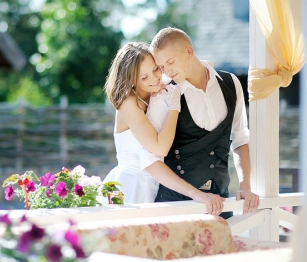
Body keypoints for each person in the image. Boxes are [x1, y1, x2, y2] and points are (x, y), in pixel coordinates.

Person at [140, 27, 260, 219]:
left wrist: (245, 185)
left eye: (170, 62)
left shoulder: (231, 83)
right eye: (161, 67)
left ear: (189, 51)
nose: (166, 72)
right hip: (175, 207)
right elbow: (149, 161)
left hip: (221, 204)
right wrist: (197, 195)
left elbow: (240, 139)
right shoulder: (164, 94)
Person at [102, 42, 182, 204]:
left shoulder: (157, 89)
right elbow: (160, 148)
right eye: (144, 77)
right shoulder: (128, 102)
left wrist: (166, 79)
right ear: (131, 80)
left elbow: (204, 65)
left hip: (157, 184)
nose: (154, 78)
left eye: (155, 69)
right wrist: (174, 106)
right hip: (129, 187)